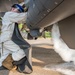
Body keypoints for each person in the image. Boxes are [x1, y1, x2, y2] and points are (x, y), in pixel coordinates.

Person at [0, 4, 27, 70]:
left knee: (4, 57)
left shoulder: (13, 22)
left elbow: (18, 33)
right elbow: (23, 17)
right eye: (17, 11)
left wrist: (29, 36)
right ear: (12, 9)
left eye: (19, 12)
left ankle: (4, 64)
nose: (17, 13)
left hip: (6, 40)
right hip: (7, 40)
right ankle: (6, 62)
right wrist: (33, 12)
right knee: (22, 51)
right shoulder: (8, 14)